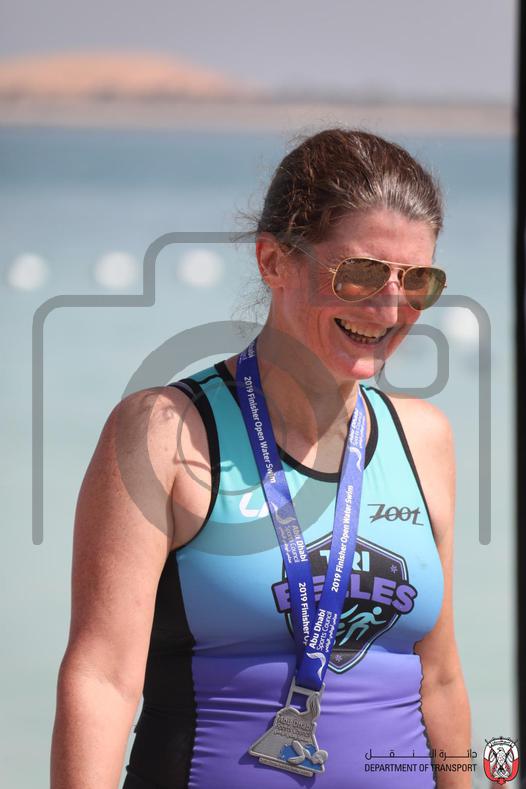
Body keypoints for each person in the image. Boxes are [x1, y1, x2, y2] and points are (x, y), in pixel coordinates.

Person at [51, 128, 471, 788]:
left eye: (417, 280)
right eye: (361, 273)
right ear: (274, 261)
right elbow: (101, 679)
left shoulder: (424, 439)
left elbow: (439, 678)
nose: (391, 306)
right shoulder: (164, 434)